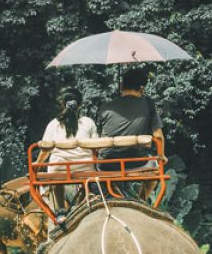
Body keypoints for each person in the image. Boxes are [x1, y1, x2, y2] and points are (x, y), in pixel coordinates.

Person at [96, 68, 165, 201]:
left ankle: (112, 194)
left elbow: (99, 138)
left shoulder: (105, 106)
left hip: (106, 164)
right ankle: (142, 200)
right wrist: (162, 156)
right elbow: (158, 136)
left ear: (122, 86)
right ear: (142, 88)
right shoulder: (148, 103)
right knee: (154, 169)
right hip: (136, 162)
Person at [36, 88, 97, 221]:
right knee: (88, 176)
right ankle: (82, 204)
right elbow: (95, 147)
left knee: (56, 175)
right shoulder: (89, 122)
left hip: (59, 169)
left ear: (63, 105)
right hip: (85, 169)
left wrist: (37, 165)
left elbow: (45, 150)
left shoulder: (53, 124)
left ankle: (60, 210)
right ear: (80, 105)